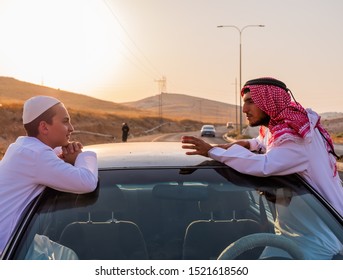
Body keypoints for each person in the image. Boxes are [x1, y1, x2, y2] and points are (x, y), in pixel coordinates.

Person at [181, 77, 343, 259]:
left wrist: (213, 152)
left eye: (250, 102)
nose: (244, 109)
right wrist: (246, 144)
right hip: (290, 236)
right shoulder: (280, 127)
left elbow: (265, 165)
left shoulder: (295, 136)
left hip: (321, 241)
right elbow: (262, 142)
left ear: (269, 101)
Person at [0, 95, 98, 254]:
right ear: (44, 127)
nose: (71, 128)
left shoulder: (23, 149)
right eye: (65, 121)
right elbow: (87, 182)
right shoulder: (36, 155)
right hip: (8, 251)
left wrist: (65, 151)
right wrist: (81, 156)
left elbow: (47, 158)